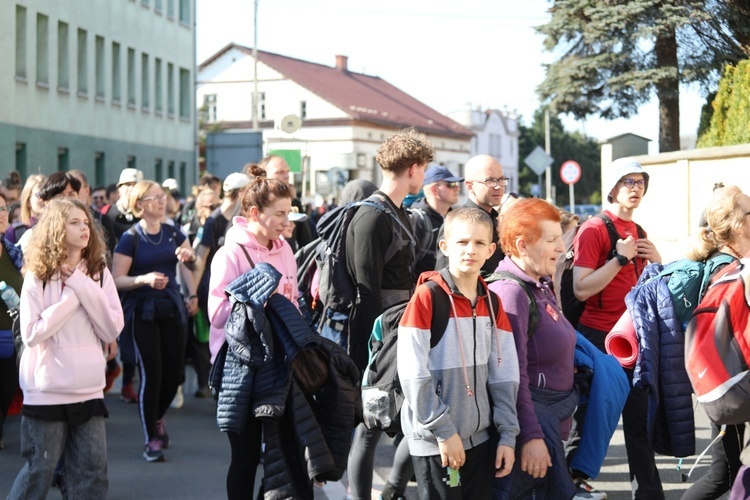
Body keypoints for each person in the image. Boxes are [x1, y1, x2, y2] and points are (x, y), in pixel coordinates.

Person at [398, 207, 520, 500]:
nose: (470, 250)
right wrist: (443, 430)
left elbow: (505, 376)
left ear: (491, 249)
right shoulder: (427, 297)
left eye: (479, 243)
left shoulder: (493, 302)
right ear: (445, 246)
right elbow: (413, 374)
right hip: (437, 441)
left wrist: (507, 434)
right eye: (462, 242)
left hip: (481, 440)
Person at [7, 198, 123, 498]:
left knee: (93, 475)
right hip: (45, 390)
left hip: (88, 388)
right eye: (74, 222)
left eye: (86, 222)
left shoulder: (98, 272)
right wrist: (74, 296)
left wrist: (82, 286)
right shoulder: (38, 274)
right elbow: (31, 333)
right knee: (39, 473)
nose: (84, 228)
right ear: (57, 228)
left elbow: (112, 328)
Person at [345, 127, 434, 500]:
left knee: (415, 414)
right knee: (370, 425)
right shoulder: (371, 217)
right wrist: (371, 355)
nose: (426, 175)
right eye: (425, 168)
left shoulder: (396, 211)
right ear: (413, 168)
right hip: (381, 337)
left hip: (403, 327)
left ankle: (393, 489)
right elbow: (365, 292)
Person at [565, 158, 662, 499]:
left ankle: (649, 494)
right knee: (591, 420)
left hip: (633, 340)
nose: (636, 188)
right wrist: (619, 258)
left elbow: (647, 288)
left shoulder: (641, 232)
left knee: (639, 426)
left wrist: (658, 261)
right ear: (613, 187)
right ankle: (570, 486)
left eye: (640, 182)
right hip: (597, 340)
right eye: (629, 182)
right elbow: (581, 288)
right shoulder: (593, 229)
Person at [207, 165, 298, 499]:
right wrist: (255, 298)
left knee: (279, 456)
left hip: (280, 365)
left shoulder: (285, 249)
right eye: (279, 214)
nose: (287, 221)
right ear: (256, 213)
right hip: (240, 368)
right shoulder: (230, 253)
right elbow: (216, 315)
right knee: (245, 457)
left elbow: (295, 302)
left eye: (289, 212)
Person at [487, 198, 580, 499]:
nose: (561, 249)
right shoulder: (511, 293)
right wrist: (531, 437)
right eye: (552, 240)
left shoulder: (539, 282)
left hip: (550, 423)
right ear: (522, 245)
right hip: (534, 430)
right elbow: (511, 378)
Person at [112, 180, 200, 462]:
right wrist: (144, 279)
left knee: (174, 375)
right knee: (153, 374)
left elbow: (191, 264)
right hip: (142, 311)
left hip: (172, 307)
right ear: (140, 205)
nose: (163, 201)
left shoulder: (174, 232)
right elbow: (116, 280)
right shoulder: (130, 238)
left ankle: (157, 418)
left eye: (164, 197)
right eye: (156, 197)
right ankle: (151, 437)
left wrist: (193, 285)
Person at [683, 185, 750, 500]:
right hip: (732, 380)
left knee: (729, 475)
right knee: (725, 476)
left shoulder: (724, 263)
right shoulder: (733, 268)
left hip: (725, 378)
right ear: (738, 225)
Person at [435, 155, 507, 275]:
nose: (498, 186)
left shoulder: (496, 220)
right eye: (490, 181)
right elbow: (445, 277)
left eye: (501, 180)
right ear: (469, 186)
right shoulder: (457, 222)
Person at [410, 164, 463, 278]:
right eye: (451, 184)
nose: (457, 188)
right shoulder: (417, 220)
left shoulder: (455, 219)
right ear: (434, 189)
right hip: (424, 292)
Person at [0, 193, 23, 451]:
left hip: (11, 338)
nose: (1, 214)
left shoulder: (14, 253)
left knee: (6, 394)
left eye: (4, 208)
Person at [259, 155, 314, 250]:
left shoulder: (295, 203)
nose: (287, 176)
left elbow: (306, 244)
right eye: (280, 172)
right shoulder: (251, 202)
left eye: (288, 172)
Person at [5, 174, 45, 246]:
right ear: (28, 201)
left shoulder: (61, 228)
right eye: (39, 194)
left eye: (47, 193)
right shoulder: (15, 232)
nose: (44, 198)